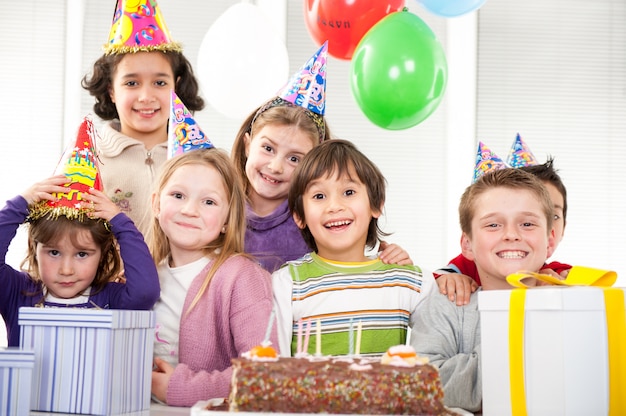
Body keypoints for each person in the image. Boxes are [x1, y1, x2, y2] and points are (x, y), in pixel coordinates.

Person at [232, 42, 410, 273]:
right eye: (268, 148)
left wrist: (392, 259)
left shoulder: (316, 215)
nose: (275, 167)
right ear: (247, 144)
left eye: (294, 159)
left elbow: (346, 262)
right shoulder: (219, 206)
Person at [0, 118, 160, 347]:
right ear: (35, 249)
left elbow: (146, 291)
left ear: (102, 254)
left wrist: (120, 222)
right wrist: (21, 204)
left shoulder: (109, 298)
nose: (66, 270)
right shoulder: (19, 292)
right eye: (53, 252)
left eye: (82, 254)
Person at [273, 139, 436, 357]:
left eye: (349, 192)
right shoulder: (287, 284)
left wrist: (451, 275)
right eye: (319, 196)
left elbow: (435, 356)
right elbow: (276, 368)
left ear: (376, 204)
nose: (334, 206)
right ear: (300, 216)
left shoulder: (411, 282)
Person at [411, 168, 557, 412]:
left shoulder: (573, 308)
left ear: (550, 241)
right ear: (467, 245)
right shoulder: (445, 305)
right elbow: (424, 385)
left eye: (527, 223)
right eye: (493, 224)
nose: (511, 234)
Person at [149, 148, 278, 407]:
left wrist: (182, 388)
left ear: (227, 220)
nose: (189, 210)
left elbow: (264, 374)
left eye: (208, 202)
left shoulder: (242, 278)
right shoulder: (143, 277)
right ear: (156, 204)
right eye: (178, 195)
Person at [81, 0, 204, 237]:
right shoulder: (90, 160)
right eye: (131, 83)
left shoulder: (197, 159)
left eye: (159, 83)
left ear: (175, 87)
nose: (146, 96)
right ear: (111, 90)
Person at [438, 156, 570, 305]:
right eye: (494, 224)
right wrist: (445, 279)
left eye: (553, 215)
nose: (512, 234)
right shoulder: (467, 263)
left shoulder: (556, 272)